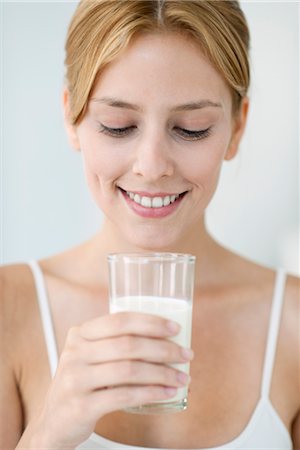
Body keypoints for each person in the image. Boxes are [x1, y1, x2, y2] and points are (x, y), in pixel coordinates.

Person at [0, 0, 299, 449]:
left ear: (237, 127)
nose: (152, 166)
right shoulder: (9, 310)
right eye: (118, 126)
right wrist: (48, 433)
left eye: (193, 128)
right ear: (71, 117)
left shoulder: (293, 322)